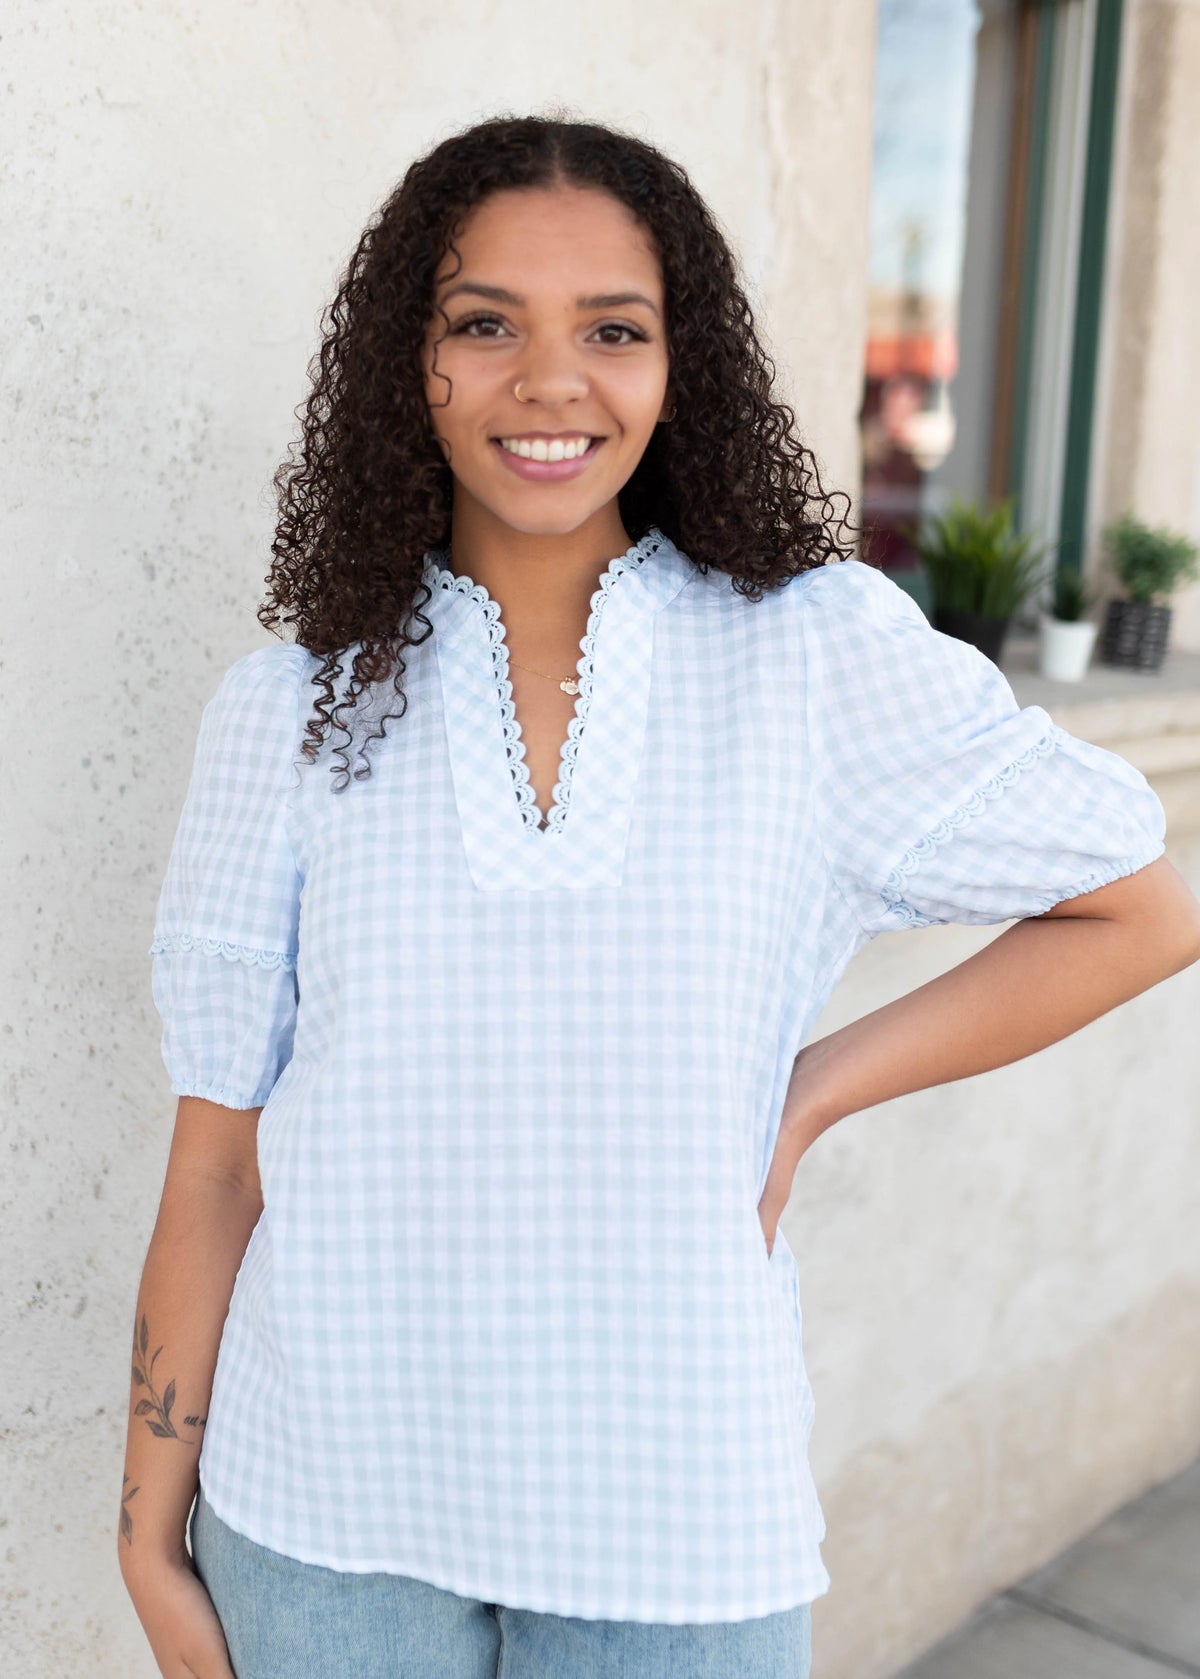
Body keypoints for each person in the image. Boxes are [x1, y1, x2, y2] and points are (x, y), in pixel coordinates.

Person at [118, 113, 1200, 1679]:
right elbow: (216, 1167)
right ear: (406, 364)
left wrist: (814, 1089)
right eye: (485, 324)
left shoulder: (809, 655)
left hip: (678, 1522)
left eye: (612, 331)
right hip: (321, 1518)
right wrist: (149, 1532)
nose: (551, 382)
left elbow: (1143, 907)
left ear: (678, 364)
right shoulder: (290, 707)